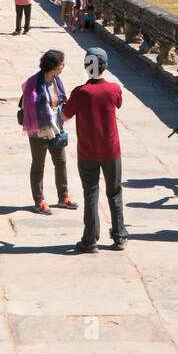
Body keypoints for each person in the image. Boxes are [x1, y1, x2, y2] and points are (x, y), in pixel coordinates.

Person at [63, 46, 126, 252]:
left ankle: (90, 240)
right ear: (105, 67)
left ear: (85, 66)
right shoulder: (114, 89)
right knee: (114, 193)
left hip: (87, 152)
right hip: (111, 150)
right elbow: (118, 104)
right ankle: (119, 237)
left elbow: (64, 116)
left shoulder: (80, 93)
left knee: (91, 194)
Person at [20, 49, 77, 214]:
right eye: (61, 64)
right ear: (52, 66)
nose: (63, 67)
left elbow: (61, 99)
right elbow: (28, 106)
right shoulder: (33, 83)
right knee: (38, 165)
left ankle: (63, 196)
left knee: (61, 162)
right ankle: (39, 201)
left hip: (56, 128)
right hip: (38, 130)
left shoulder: (56, 80)